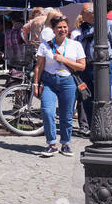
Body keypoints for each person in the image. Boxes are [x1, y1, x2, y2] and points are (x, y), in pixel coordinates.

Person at [33, 15, 86, 158]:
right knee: (47, 111)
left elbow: (82, 66)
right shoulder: (45, 45)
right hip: (49, 81)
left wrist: (64, 60)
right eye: (59, 27)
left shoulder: (75, 45)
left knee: (66, 114)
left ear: (68, 28)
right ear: (53, 30)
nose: (62, 30)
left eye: (65, 27)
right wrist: (36, 83)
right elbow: (39, 66)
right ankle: (51, 143)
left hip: (68, 81)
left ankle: (65, 143)